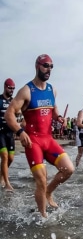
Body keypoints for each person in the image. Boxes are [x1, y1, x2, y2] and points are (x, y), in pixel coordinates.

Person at [3, 54, 75, 216]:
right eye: (45, 65)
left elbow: (54, 110)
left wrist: (59, 118)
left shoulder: (52, 90)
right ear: (37, 66)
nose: (48, 69)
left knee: (68, 169)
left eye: (51, 66)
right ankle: (43, 217)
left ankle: (48, 192)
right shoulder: (26, 91)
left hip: (48, 140)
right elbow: (9, 114)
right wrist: (20, 132)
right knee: (41, 180)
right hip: (32, 142)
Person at [0, 78, 19, 191]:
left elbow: (18, 114)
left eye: (13, 88)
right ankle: (7, 183)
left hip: (10, 133)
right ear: (5, 87)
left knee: (11, 158)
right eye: (10, 88)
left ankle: (2, 175)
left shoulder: (14, 101)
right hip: (0, 132)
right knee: (4, 156)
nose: (12, 90)